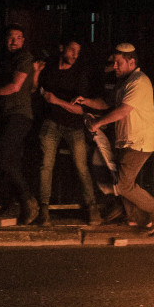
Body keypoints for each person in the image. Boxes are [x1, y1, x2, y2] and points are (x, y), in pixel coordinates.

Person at [74, 43, 154, 235]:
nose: (114, 67)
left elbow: (123, 110)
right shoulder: (124, 82)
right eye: (113, 63)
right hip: (127, 140)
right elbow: (106, 103)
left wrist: (98, 123)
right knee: (121, 180)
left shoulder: (139, 82)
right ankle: (135, 218)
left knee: (124, 185)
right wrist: (86, 101)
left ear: (131, 61)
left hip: (139, 141)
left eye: (118, 63)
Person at [33, 39, 102, 225]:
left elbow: (81, 110)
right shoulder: (50, 68)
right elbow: (38, 90)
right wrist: (37, 73)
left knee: (81, 166)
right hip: (51, 122)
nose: (74, 55)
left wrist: (57, 101)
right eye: (72, 50)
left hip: (73, 125)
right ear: (62, 48)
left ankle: (92, 208)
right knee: (46, 165)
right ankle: (44, 210)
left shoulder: (80, 74)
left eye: (77, 52)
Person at [0, 24, 39, 225]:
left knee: (4, 158)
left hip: (19, 115)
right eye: (10, 37)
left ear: (23, 40)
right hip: (6, 115)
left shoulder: (24, 58)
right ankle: (14, 203)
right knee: (9, 160)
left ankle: (28, 200)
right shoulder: (6, 60)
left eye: (18, 37)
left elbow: (15, 86)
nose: (13, 41)